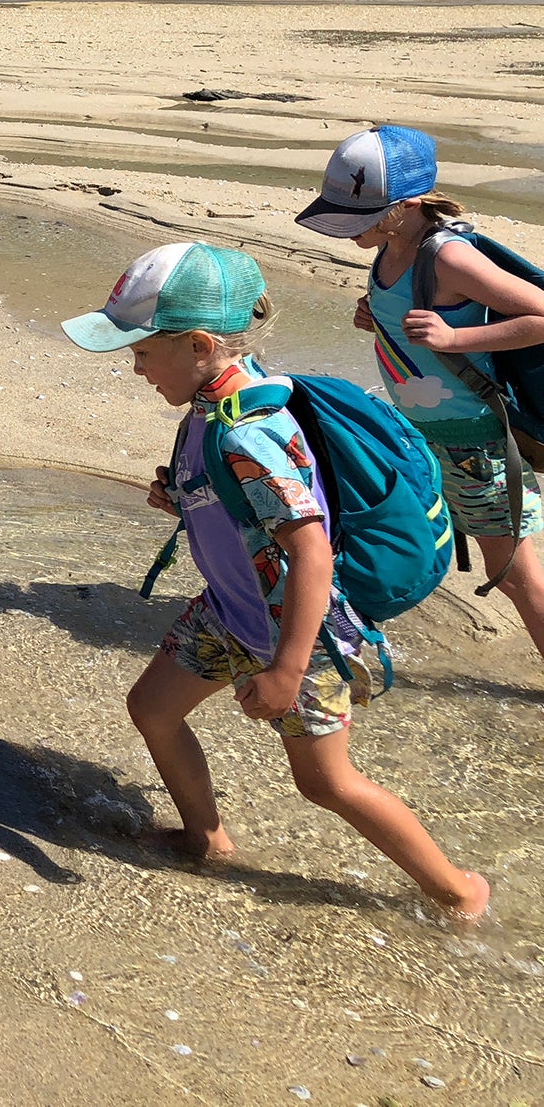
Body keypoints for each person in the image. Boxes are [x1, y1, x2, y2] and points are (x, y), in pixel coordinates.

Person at [62, 241, 488, 919]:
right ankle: (207, 840)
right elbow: (249, 510)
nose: (135, 368)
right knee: (152, 709)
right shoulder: (215, 406)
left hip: (298, 629)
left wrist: (289, 669)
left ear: (201, 345)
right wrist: (184, 497)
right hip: (231, 611)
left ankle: (458, 891)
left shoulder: (248, 432)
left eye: (142, 352)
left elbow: (311, 550)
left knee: (327, 783)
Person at [297, 125, 544, 660]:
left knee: (514, 575)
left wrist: (457, 337)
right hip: (427, 434)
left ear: (406, 206)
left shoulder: (449, 257)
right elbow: (413, 322)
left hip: (476, 442)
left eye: (358, 217)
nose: (348, 231)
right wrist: (377, 319)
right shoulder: (389, 249)